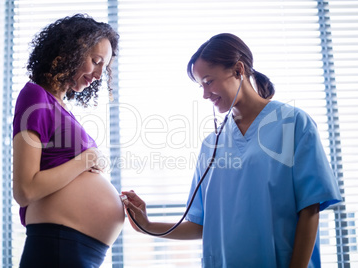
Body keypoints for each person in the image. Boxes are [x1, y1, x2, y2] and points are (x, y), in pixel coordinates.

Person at [122, 33, 342, 268]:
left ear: (238, 70)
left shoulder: (294, 123)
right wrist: (148, 226)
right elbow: (202, 225)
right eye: (200, 86)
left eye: (208, 81)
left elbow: (310, 210)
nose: (205, 94)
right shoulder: (211, 145)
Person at [13, 14, 124, 267]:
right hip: (57, 245)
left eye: (103, 68)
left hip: (79, 249)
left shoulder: (61, 108)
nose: (98, 75)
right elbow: (25, 190)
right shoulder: (35, 96)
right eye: (96, 61)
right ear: (70, 51)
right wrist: (86, 160)